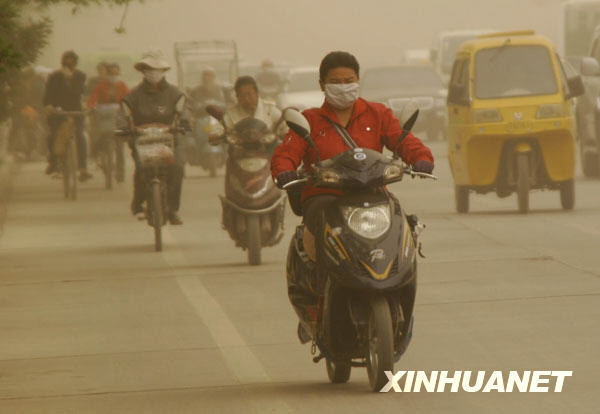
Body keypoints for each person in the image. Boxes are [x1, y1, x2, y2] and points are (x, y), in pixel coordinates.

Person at [270, 51, 434, 261]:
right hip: (324, 195)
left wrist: (422, 159)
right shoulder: (309, 120)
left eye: (349, 81)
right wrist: (284, 171)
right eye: (336, 82)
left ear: (358, 80)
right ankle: (320, 280)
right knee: (320, 227)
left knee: (400, 223)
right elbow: (287, 153)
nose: (343, 86)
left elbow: (403, 140)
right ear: (322, 85)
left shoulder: (378, 113)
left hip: (373, 192)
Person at [118, 49, 187, 225]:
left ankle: (173, 209)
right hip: (142, 142)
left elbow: (185, 113)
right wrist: (124, 127)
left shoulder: (175, 93)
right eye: (149, 69)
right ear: (143, 71)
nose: (153, 73)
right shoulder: (133, 95)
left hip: (169, 141)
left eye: (157, 69)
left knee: (177, 168)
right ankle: (138, 203)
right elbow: (123, 114)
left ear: (163, 71)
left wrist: (185, 123)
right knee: (142, 169)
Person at [43, 50, 92, 180]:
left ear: (75, 64)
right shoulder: (54, 76)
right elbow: (48, 95)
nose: (69, 66)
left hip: (76, 111)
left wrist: (70, 79)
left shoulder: (80, 76)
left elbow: (79, 93)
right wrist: (49, 106)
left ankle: (83, 168)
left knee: (81, 136)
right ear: (62, 63)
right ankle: (53, 163)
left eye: (72, 63)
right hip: (58, 112)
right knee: (52, 135)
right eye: (66, 63)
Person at [209, 75, 288, 146]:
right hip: (239, 155)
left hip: (267, 153)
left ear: (256, 93)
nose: (246, 99)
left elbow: (283, 126)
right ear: (237, 96)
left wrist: (286, 133)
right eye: (242, 95)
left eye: (249, 94)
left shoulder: (270, 109)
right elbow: (221, 127)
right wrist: (215, 135)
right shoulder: (232, 113)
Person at [87, 62, 130, 181]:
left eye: (116, 73)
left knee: (120, 146)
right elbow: (93, 99)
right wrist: (90, 107)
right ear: (108, 74)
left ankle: (120, 173)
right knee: (98, 136)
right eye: (112, 73)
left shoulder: (122, 86)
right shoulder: (101, 85)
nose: (114, 75)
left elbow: (129, 99)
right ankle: (96, 154)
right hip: (103, 117)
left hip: (118, 118)